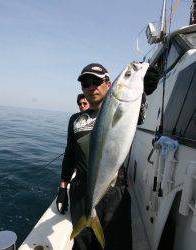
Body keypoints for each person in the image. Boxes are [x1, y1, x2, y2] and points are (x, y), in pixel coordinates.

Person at [56, 63, 160, 250]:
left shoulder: (126, 107)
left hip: (114, 190)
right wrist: (63, 186)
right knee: (83, 244)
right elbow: (69, 155)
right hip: (81, 191)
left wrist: (145, 89)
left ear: (109, 84)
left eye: (96, 81)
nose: (91, 87)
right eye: (85, 83)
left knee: (117, 242)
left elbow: (138, 113)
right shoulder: (76, 120)